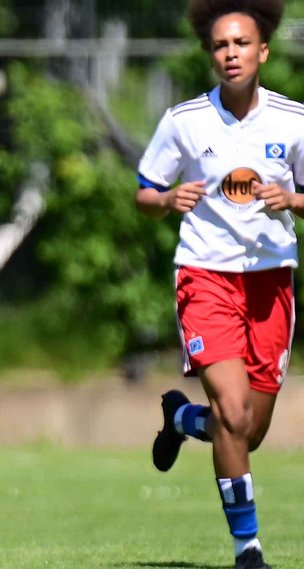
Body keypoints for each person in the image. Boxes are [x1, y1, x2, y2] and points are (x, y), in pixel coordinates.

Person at [140, 2, 297, 568]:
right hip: (205, 278)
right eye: (220, 45)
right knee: (231, 411)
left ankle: (181, 419)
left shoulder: (293, 120)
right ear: (211, 55)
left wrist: (293, 199)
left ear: (263, 52)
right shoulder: (184, 120)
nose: (230, 53)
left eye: (241, 43)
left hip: (271, 285)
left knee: (248, 431)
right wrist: (164, 199)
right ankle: (247, 548)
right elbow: (145, 192)